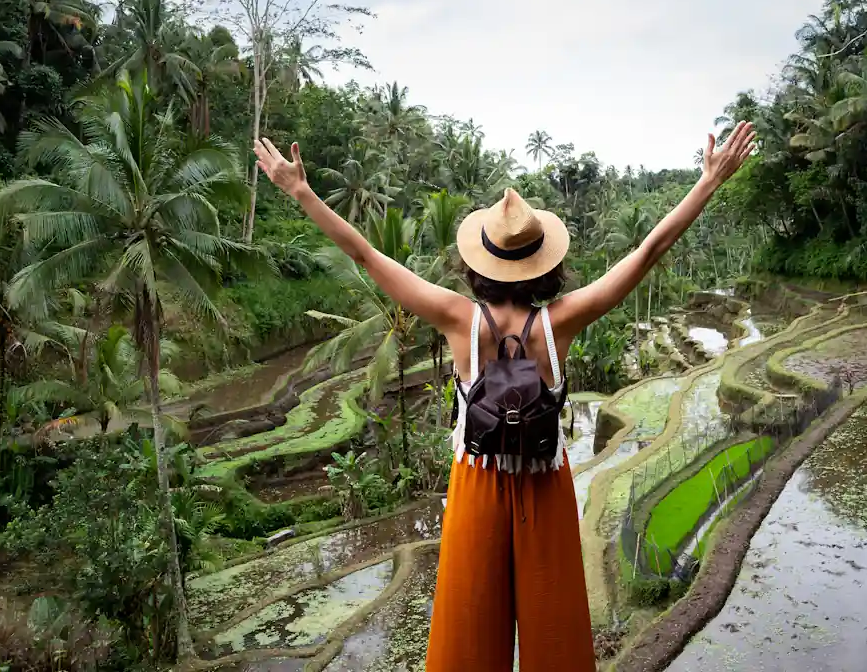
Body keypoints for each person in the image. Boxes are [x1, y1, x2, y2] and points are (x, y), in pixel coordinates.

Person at [252, 121, 756, 672]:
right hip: (544, 484)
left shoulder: (456, 317)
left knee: (467, 633)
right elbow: (649, 250)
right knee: (555, 632)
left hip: (477, 482)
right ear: (547, 263)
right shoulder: (561, 321)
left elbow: (368, 256)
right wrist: (708, 181)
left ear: (479, 263)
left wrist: (300, 191)